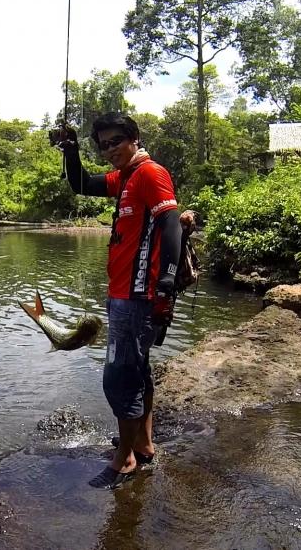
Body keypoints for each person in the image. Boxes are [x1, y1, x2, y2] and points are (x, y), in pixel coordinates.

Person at [51, 112, 182, 489]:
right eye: (103, 145)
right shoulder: (124, 178)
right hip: (122, 294)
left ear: (134, 138)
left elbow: (170, 222)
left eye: (115, 142)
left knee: (118, 378)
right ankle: (143, 445)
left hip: (138, 297)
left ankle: (124, 459)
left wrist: (167, 281)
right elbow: (80, 184)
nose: (109, 150)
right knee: (137, 371)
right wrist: (71, 149)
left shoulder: (149, 173)